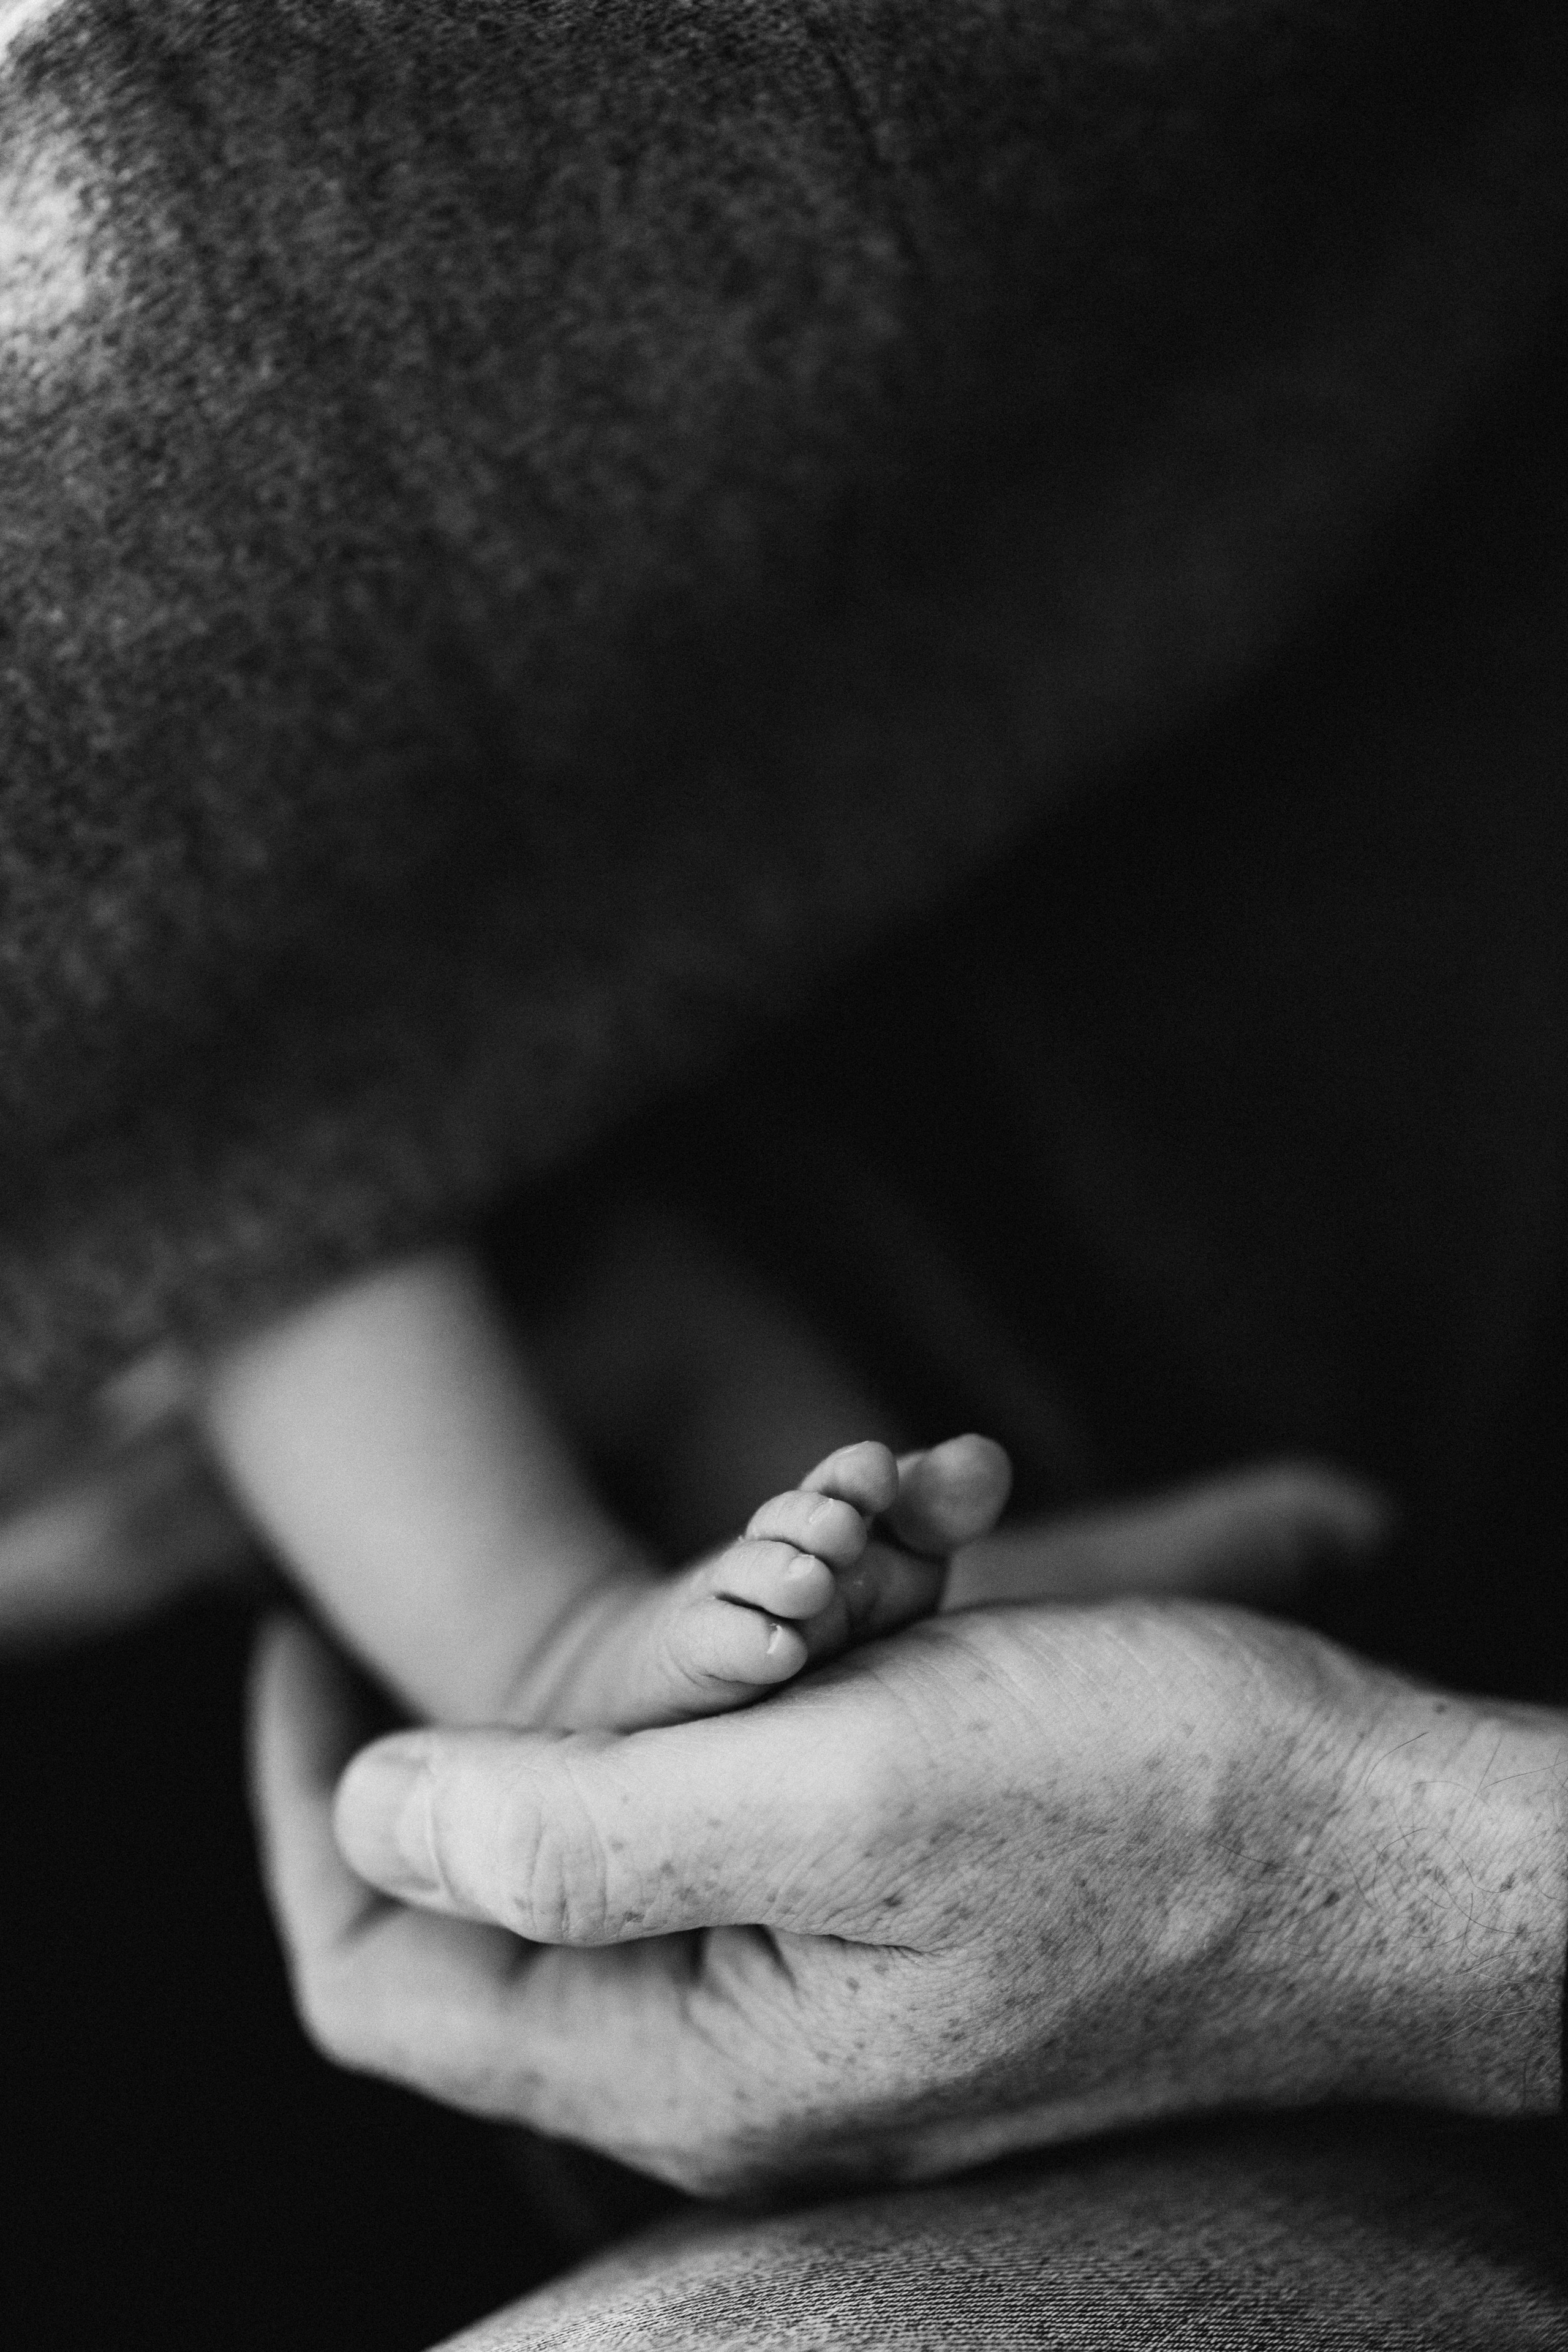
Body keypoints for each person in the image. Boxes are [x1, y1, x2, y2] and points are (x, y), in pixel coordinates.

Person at [4, 0, 1567, 2341]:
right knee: (332, 1258)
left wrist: (1382, 1870)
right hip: (313, 1134)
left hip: (702, 949)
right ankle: (553, 1634)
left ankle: (661, 1647)